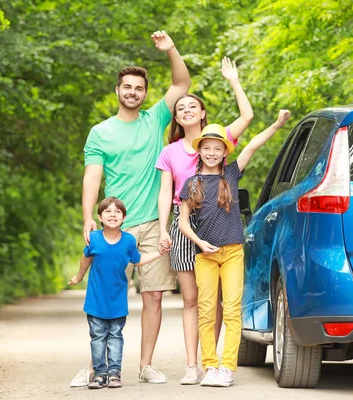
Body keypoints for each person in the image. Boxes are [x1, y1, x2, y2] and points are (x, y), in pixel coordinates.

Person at [81, 30, 190, 384]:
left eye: (139, 88)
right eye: (127, 87)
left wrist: (170, 48)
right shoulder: (100, 132)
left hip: (155, 223)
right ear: (118, 90)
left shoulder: (155, 118)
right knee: (109, 295)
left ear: (144, 93)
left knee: (154, 297)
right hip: (117, 227)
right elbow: (93, 178)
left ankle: (144, 365)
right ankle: (104, 366)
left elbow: (182, 82)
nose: (133, 92)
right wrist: (88, 219)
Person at [155, 57, 253, 384]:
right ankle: (193, 364)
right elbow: (166, 195)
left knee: (223, 301)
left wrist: (234, 80)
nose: (185, 110)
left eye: (191, 106)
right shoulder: (170, 151)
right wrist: (161, 229)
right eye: (179, 107)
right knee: (193, 300)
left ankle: (220, 364)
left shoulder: (218, 139)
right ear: (177, 117)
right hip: (186, 229)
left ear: (201, 113)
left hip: (221, 230)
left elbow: (248, 120)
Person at [178, 110, 291, 387]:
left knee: (231, 310)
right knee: (206, 311)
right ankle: (209, 365)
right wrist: (199, 242)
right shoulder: (191, 184)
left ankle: (226, 368)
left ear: (224, 152)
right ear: (200, 151)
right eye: (207, 148)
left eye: (218, 148)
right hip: (205, 255)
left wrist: (276, 125)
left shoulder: (231, 174)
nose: (212, 153)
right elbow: (182, 223)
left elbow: (252, 144)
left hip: (232, 253)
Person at [69, 197, 167, 389]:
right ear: (99, 217)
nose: (112, 214)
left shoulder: (129, 241)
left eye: (117, 212)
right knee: (98, 337)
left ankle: (114, 374)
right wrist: (79, 277)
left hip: (117, 302)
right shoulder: (94, 238)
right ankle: (99, 374)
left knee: (115, 337)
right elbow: (85, 259)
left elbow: (137, 260)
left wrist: (158, 253)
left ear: (124, 218)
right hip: (96, 301)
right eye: (108, 211)